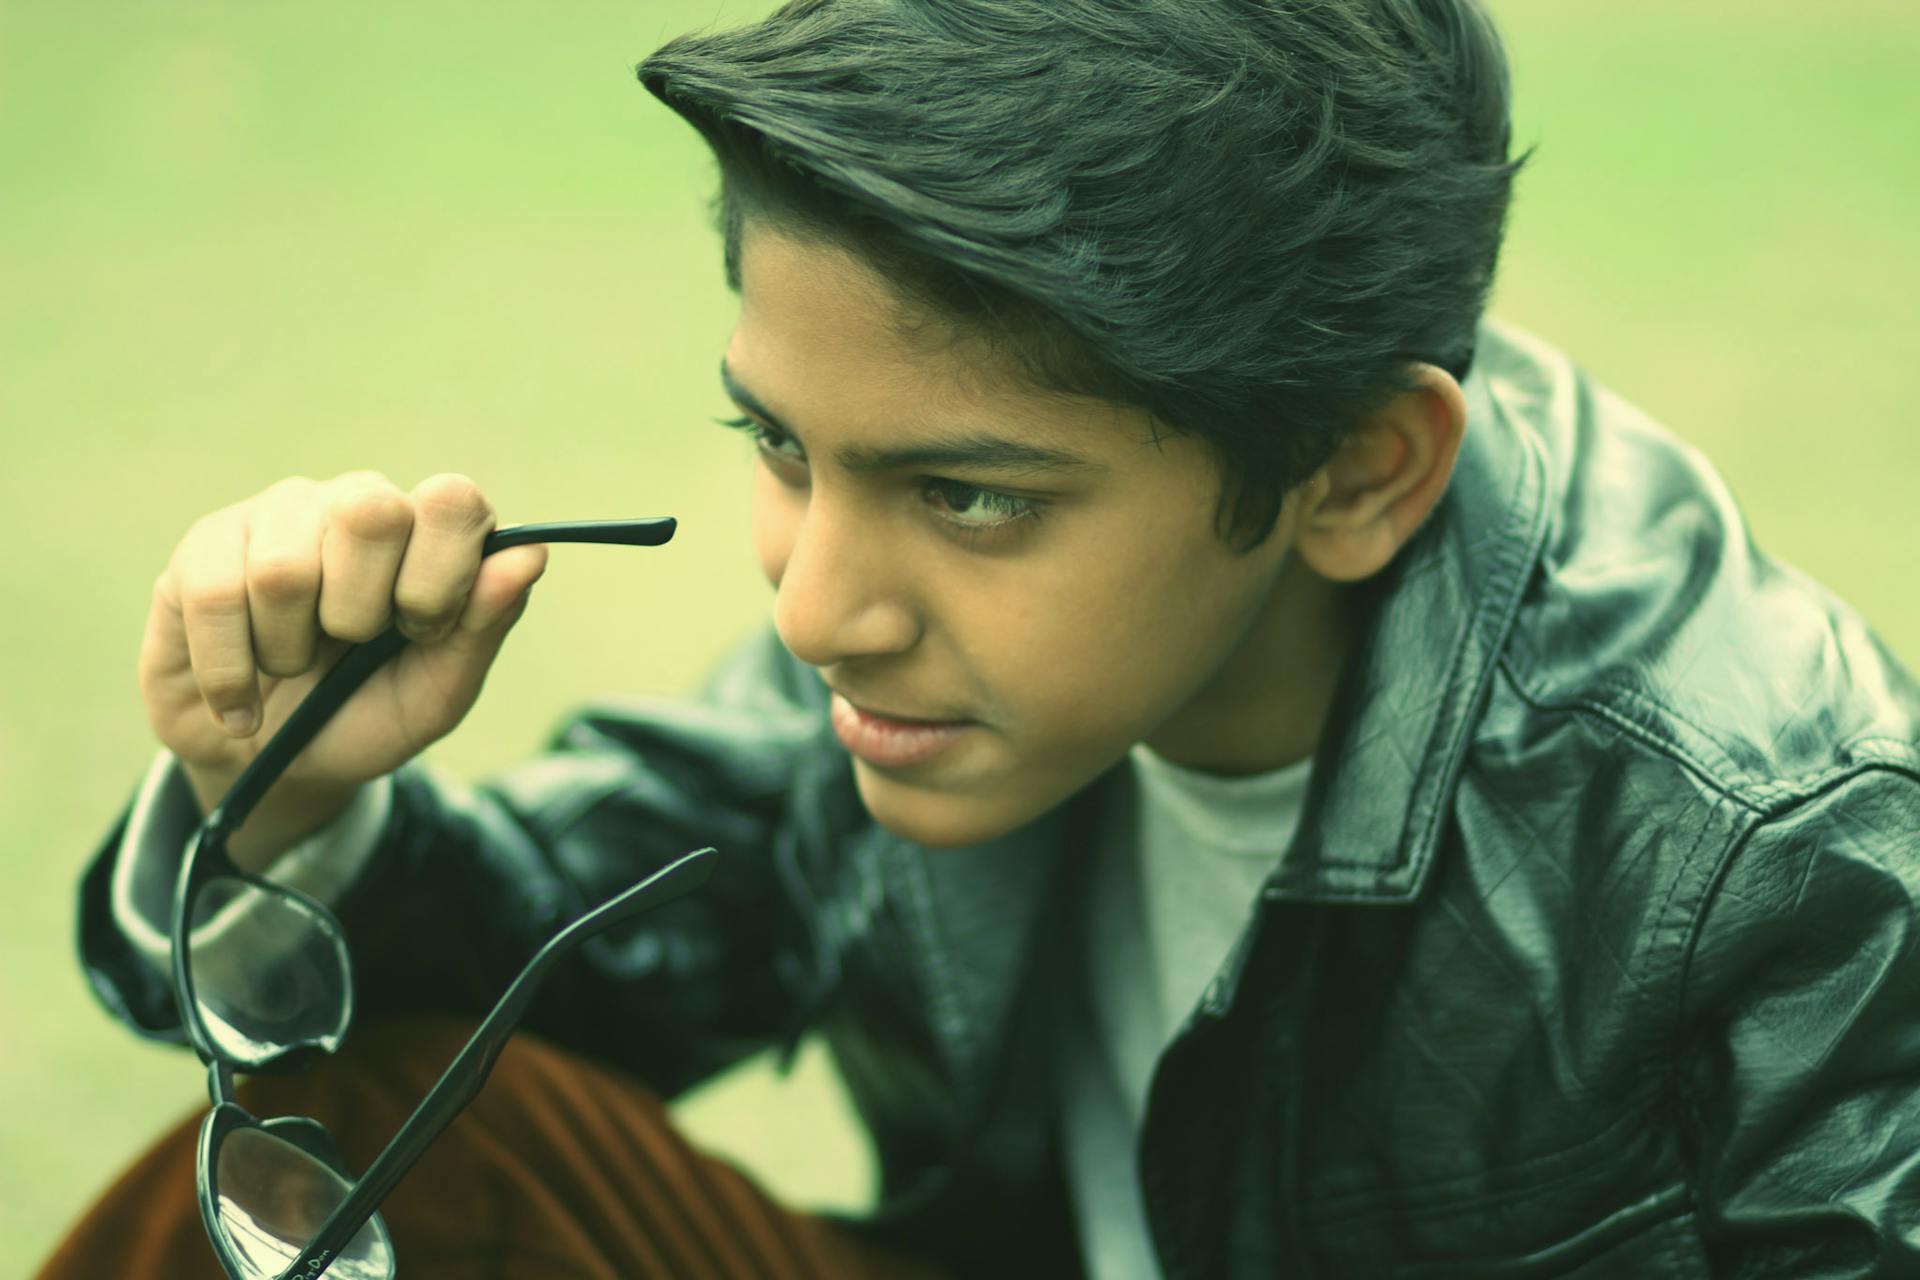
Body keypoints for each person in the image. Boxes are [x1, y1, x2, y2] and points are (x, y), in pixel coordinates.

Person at [39, 0, 1920, 1276]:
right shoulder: (917, 675)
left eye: (970, 497)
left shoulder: (1765, 845)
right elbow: (548, 980)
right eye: (781, 447)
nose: (813, 602)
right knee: (361, 1150)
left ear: (1357, 471)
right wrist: (274, 793)